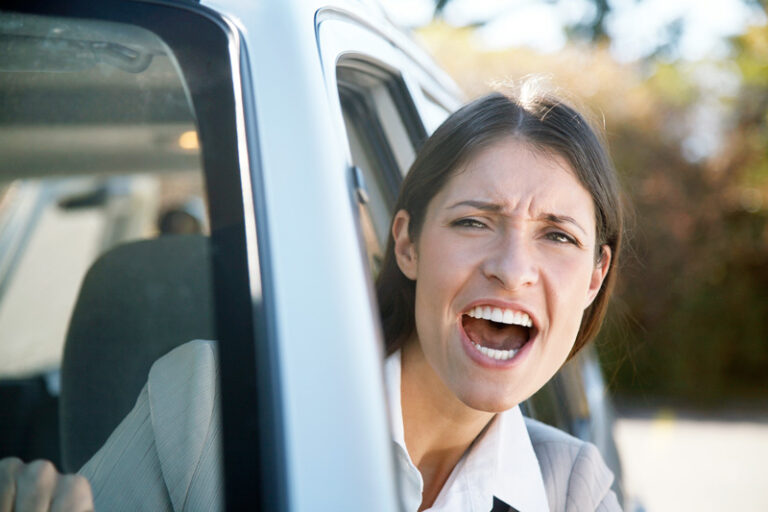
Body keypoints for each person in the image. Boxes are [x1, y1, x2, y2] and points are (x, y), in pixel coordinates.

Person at [0, 87, 623, 511]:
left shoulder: (575, 491)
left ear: (594, 277)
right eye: (473, 222)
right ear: (406, 244)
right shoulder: (210, 403)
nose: (513, 269)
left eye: (558, 236)